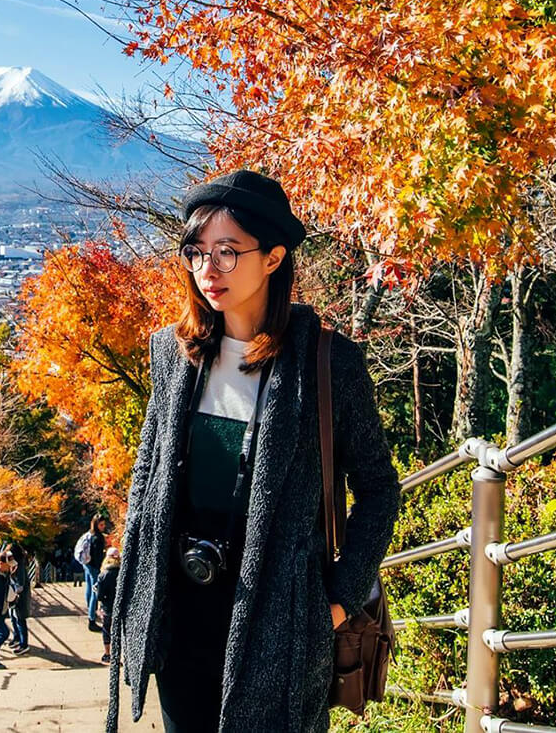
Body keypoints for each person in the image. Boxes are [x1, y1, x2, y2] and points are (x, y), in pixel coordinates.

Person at [105, 169, 401, 733]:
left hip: (280, 621)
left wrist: (335, 603)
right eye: (195, 251)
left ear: (272, 257)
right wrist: (133, 566)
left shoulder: (327, 363)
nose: (206, 269)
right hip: (180, 606)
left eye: (227, 252)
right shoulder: (174, 351)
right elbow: (149, 469)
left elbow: (379, 489)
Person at [75, 514, 108, 631]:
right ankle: (92, 619)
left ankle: (90, 611)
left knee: (89, 588)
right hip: (94, 566)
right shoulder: (98, 538)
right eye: (101, 524)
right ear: (96, 524)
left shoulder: (90, 534)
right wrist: (100, 568)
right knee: (95, 592)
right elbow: (98, 556)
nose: (103, 527)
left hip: (86, 564)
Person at [6, 540, 32, 653]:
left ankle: (24, 643)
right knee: (13, 618)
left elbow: (20, 584)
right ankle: (17, 638)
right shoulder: (15, 564)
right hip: (14, 596)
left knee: (20, 620)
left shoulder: (20, 566)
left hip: (20, 597)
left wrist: (13, 592)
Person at [96, 546, 120, 664]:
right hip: (121, 607)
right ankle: (118, 655)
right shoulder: (123, 573)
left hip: (107, 607)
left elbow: (99, 596)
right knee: (119, 631)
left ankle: (107, 654)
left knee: (106, 629)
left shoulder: (103, 575)